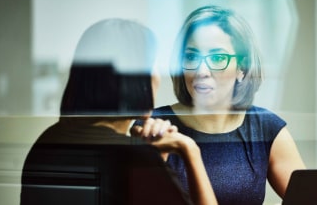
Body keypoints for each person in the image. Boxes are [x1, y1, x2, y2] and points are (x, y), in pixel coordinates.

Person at [21, 18, 216, 205]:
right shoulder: (131, 157)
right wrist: (189, 150)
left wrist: (157, 160)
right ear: (135, 79)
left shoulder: (49, 140)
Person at [152, 5, 306, 204]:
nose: (202, 71)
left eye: (217, 58)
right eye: (191, 56)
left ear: (241, 68)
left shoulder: (265, 128)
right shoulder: (154, 127)